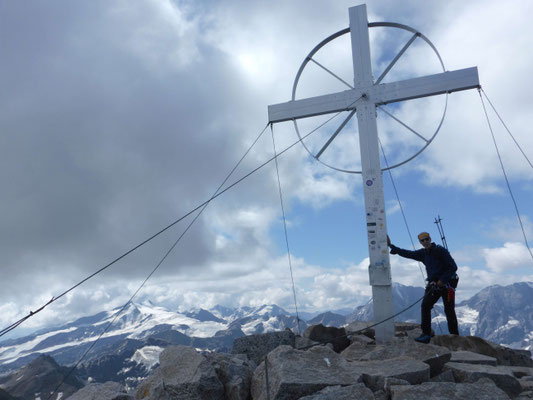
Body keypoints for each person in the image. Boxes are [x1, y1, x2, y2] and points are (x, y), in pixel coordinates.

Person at [387, 232, 459, 343]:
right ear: (420, 242)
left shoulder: (441, 251)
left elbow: (453, 267)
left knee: (449, 310)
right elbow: (408, 253)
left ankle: (455, 337)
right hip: (435, 284)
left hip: (447, 284)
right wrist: (391, 246)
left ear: (430, 239)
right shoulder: (423, 253)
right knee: (425, 306)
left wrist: (442, 280)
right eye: (422, 240)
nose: (425, 242)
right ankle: (426, 333)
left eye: (426, 239)